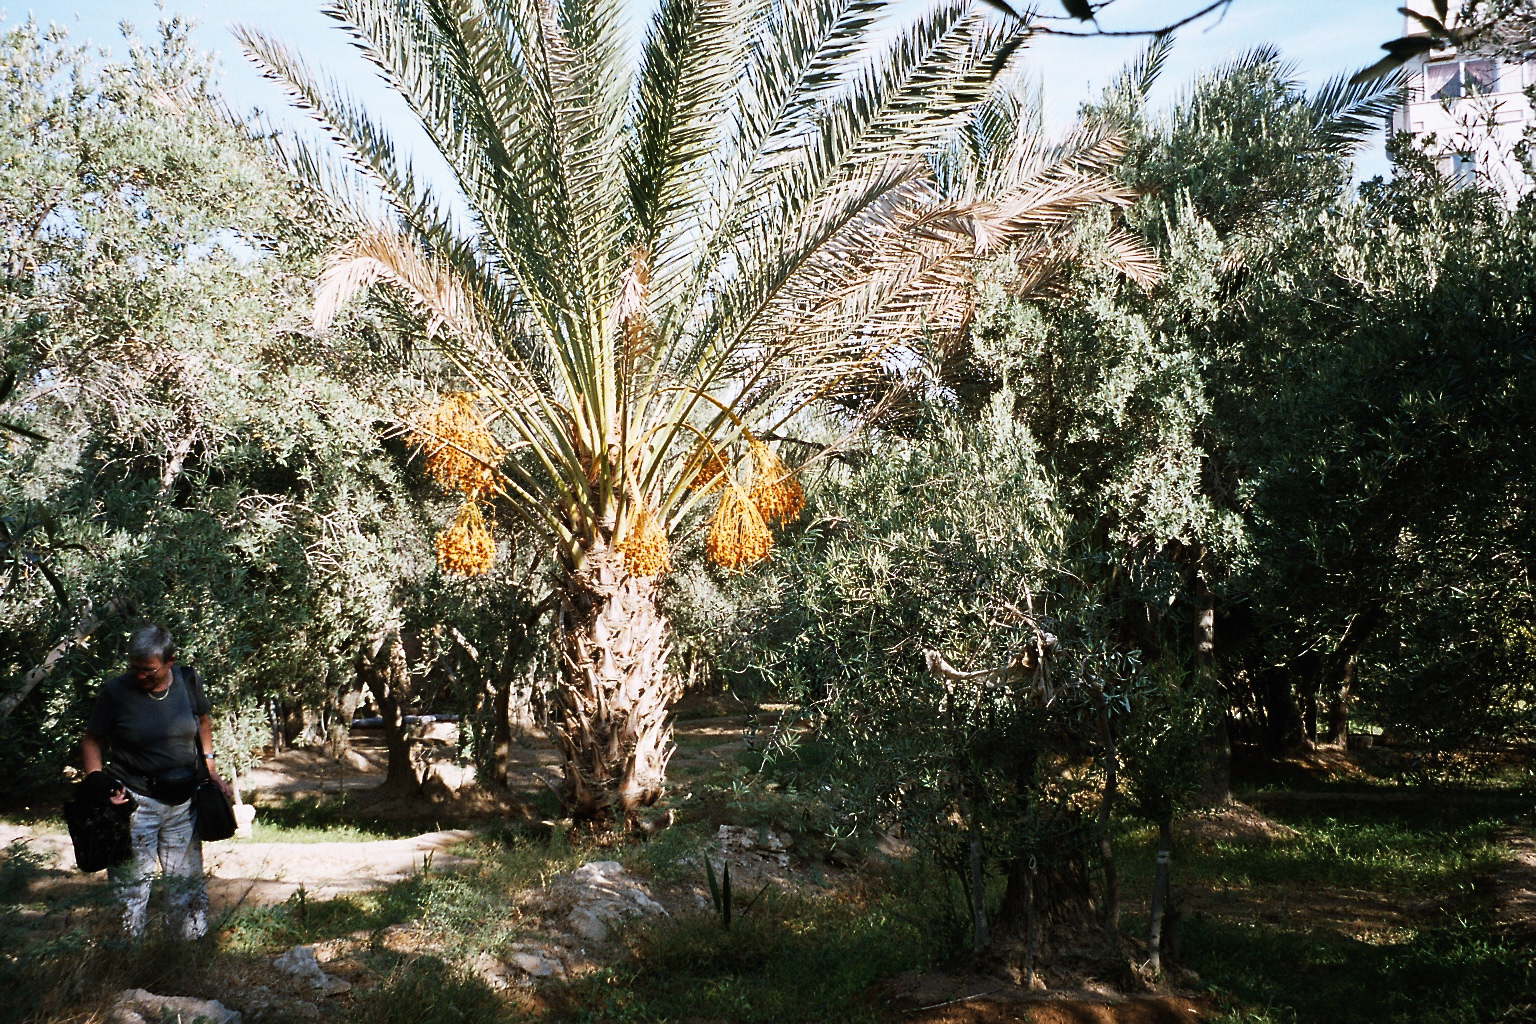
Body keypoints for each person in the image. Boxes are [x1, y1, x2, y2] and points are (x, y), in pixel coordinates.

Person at [80, 624, 230, 939]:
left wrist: (211, 768)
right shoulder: (115, 692)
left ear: (170, 661)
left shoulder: (188, 682)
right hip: (135, 802)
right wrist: (97, 783)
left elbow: (203, 721)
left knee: (185, 885)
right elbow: (92, 740)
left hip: (183, 803)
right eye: (135, 669)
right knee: (131, 888)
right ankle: (127, 958)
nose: (141, 677)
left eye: (149, 671)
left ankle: (187, 955)